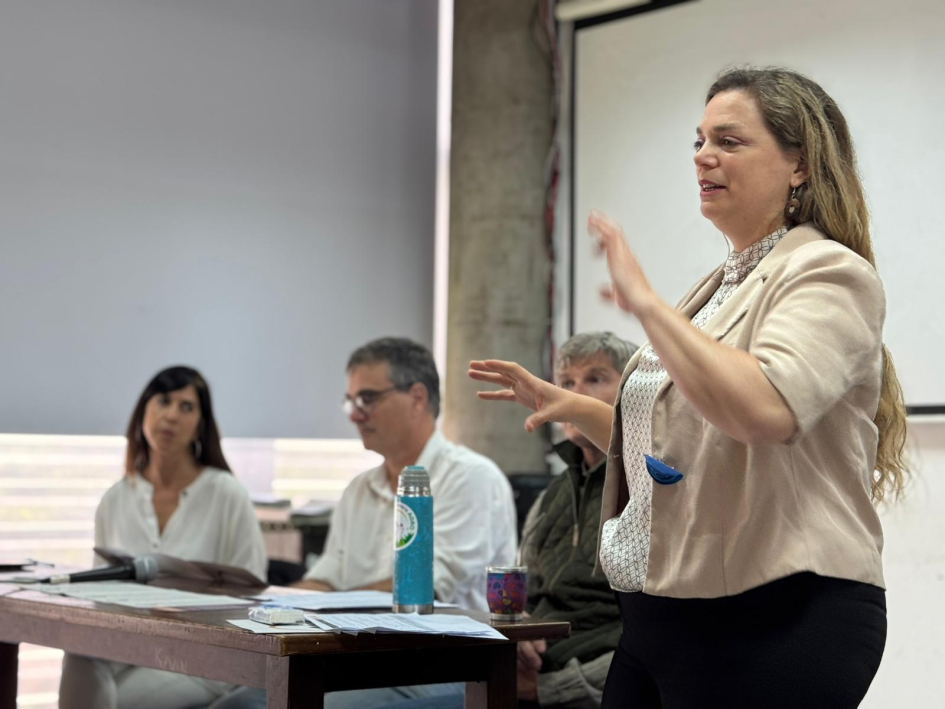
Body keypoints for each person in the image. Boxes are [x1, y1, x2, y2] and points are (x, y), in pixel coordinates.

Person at [469, 67, 907, 708]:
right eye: (698, 141)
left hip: (778, 614)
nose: (704, 156)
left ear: (800, 166)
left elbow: (765, 407)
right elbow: (684, 437)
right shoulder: (717, 287)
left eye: (729, 141)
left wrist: (645, 304)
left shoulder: (829, 270)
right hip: (664, 612)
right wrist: (582, 410)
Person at [213, 337, 518, 709]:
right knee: (236, 701)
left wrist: (326, 605)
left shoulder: (470, 478)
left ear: (417, 398)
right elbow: (324, 579)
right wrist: (266, 606)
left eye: (367, 399)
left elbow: (430, 585)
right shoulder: (358, 489)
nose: (355, 414)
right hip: (351, 659)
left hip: (437, 667)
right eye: (351, 401)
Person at [386, 331, 638, 709]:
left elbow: (652, 638)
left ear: (631, 391)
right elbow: (519, 600)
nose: (571, 394)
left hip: (579, 689)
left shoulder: (643, 492)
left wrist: (548, 689)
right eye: (565, 382)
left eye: (595, 378)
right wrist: (518, 631)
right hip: (510, 670)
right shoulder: (551, 496)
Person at [59, 366, 268, 709]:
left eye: (186, 407)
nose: (171, 415)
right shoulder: (116, 497)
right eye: (164, 401)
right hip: (130, 640)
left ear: (200, 424)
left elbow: (253, 591)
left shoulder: (226, 493)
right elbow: (101, 593)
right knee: (79, 652)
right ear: (144, 410)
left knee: (116, 703)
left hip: (207, 652)